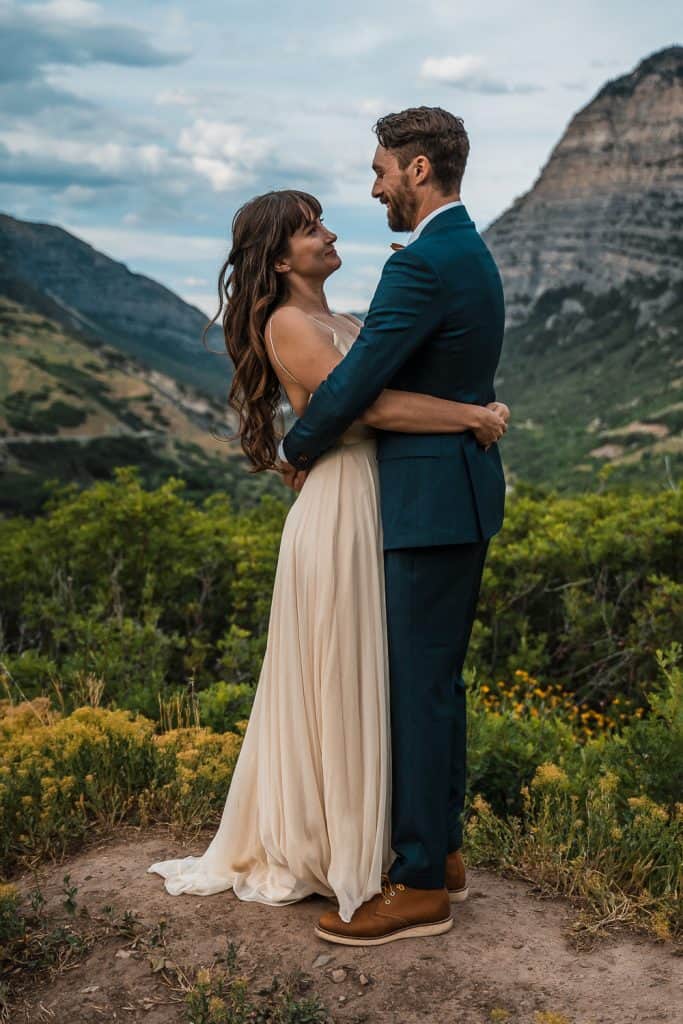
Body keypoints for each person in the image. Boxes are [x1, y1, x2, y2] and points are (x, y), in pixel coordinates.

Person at [147, 181, 508, 934]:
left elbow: (393, 381)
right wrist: (472, 414)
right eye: (311, 229)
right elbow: (365, 408)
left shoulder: (342, 317)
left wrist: (474, 403)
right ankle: (328, 839)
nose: (328, 235)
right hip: (339, 507)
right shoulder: (287, 324)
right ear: (278, 259)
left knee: (383, 674)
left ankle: (396, 843)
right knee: (342, 667)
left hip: (378, 499)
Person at [278, 106, 507, 945]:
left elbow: (352, 390)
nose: (372, 185)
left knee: (415, 691)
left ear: (416, 170)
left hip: (425, 502)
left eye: (379, 170)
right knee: (434, 687)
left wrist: (295, 446)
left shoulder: (422, 266)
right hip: (457, 493)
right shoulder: (465, 248)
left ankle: (416, 889)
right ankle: (440, 850)